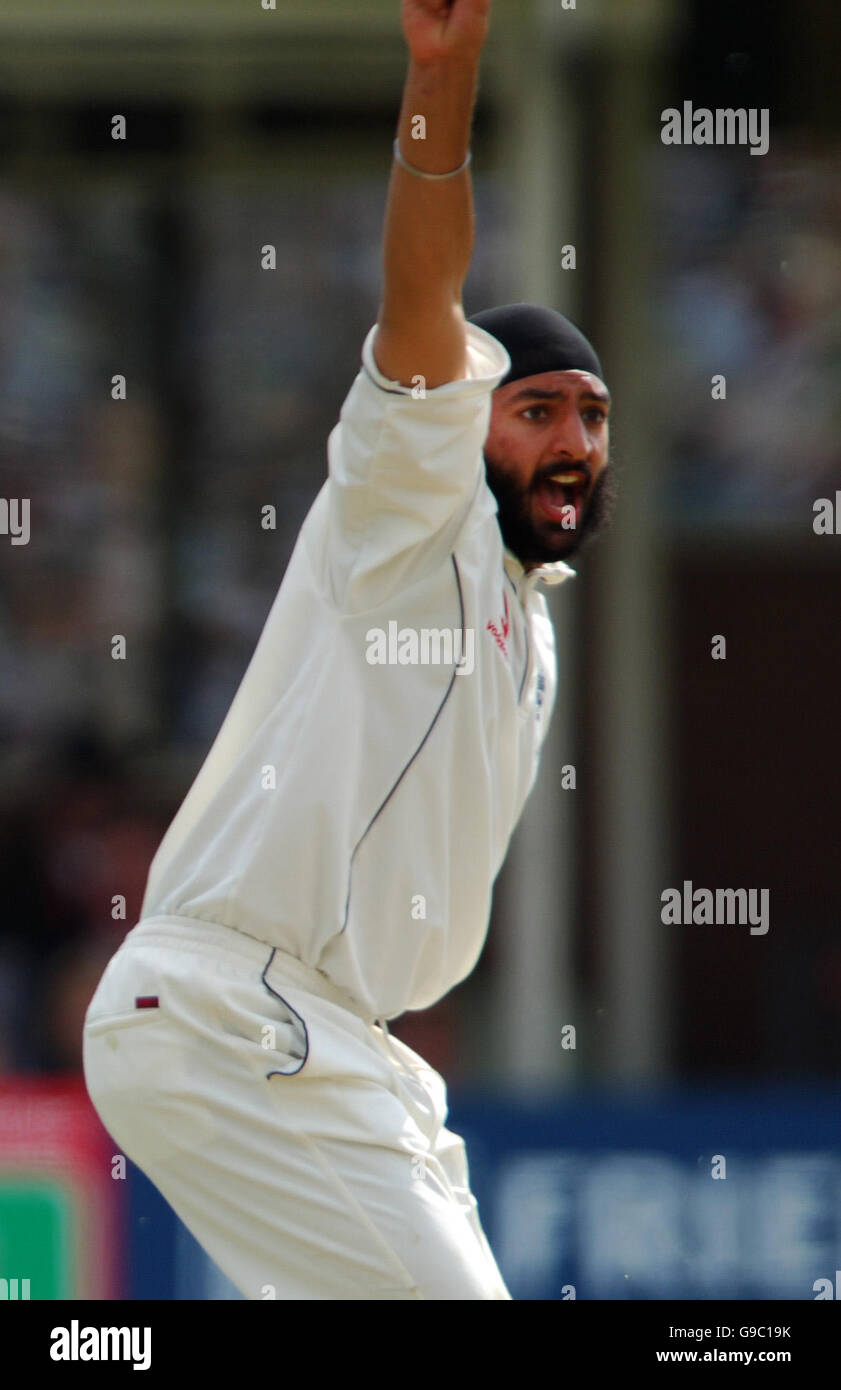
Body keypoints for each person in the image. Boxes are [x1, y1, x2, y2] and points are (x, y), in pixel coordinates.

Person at [82, 0, 613, 1301]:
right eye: (534, 410)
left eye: (593, 418)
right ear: (464, 426)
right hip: (229, 1008)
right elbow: (422, 295)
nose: (572, 444)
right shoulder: (406, 506)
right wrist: (444, 82)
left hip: (340, 1045)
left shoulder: (526, 626)